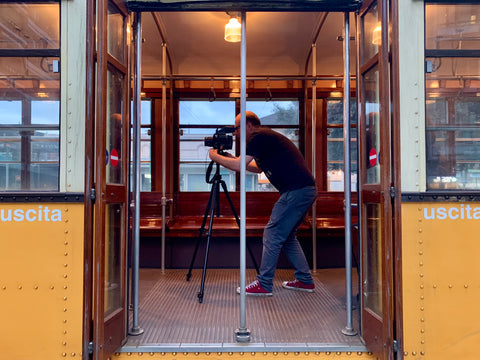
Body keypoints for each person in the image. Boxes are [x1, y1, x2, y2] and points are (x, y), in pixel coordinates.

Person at [209, 111, 317, 296]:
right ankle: (305, 280)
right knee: (287, 236)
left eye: (237, 128)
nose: (235, 133)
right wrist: (227, 157)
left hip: (297, 191)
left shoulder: (258, 136)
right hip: (303, 190)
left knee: (272, 232)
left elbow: (239, 166)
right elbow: (255, 168)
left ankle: (264, 284)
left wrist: (213, 155)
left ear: (249, 126)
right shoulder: (264, 138)